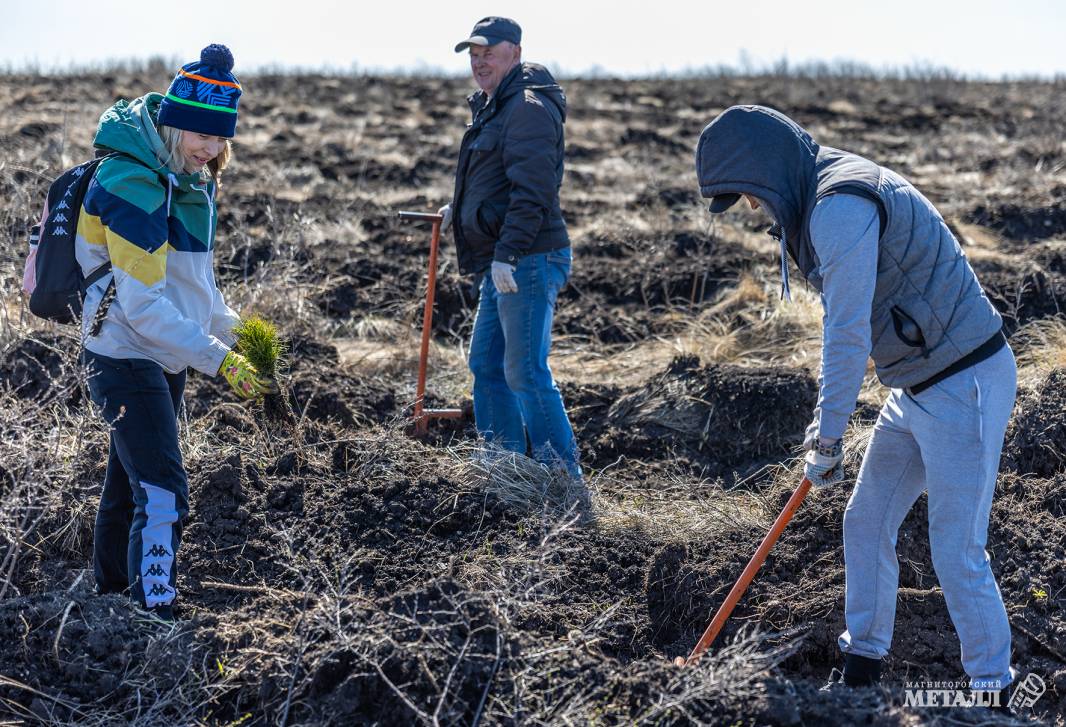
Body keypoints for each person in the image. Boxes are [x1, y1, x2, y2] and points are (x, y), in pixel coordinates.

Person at [696, 105, 1016, 703]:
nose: (750, 208)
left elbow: (846, 332)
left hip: (965, 381)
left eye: (746, 194)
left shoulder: (840, 207)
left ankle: (994, 690)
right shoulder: (818, 193)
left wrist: (827, 434)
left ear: (766, 172)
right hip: (915, 386)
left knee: (957, 549)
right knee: (865, 521)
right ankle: (863, 665)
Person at [78, 44, 275, 620]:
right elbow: (143, 309)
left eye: (220, 139)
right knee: (164, 492)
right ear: (172, 121)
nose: (210, 150)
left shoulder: (190, 182)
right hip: (123, 353)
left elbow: (196, 287)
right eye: (200, 135)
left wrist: (236, 337)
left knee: (128, 487)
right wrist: (220, 361)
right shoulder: (131, 183)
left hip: (164, 357)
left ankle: (111, 602)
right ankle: (154, 612)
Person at [438, 17, 582, 481]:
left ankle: (561, 477)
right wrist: (458, 208)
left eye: (489, 53)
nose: (480, 63)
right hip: (504, 259)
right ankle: (504, 470)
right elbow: (499, 177)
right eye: (474, 55)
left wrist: (510, 254)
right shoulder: (493, 105)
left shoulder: (526, 107)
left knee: (524, 370)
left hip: (527, 259)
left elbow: (533, 191)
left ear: (514, 53)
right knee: (486, 364)